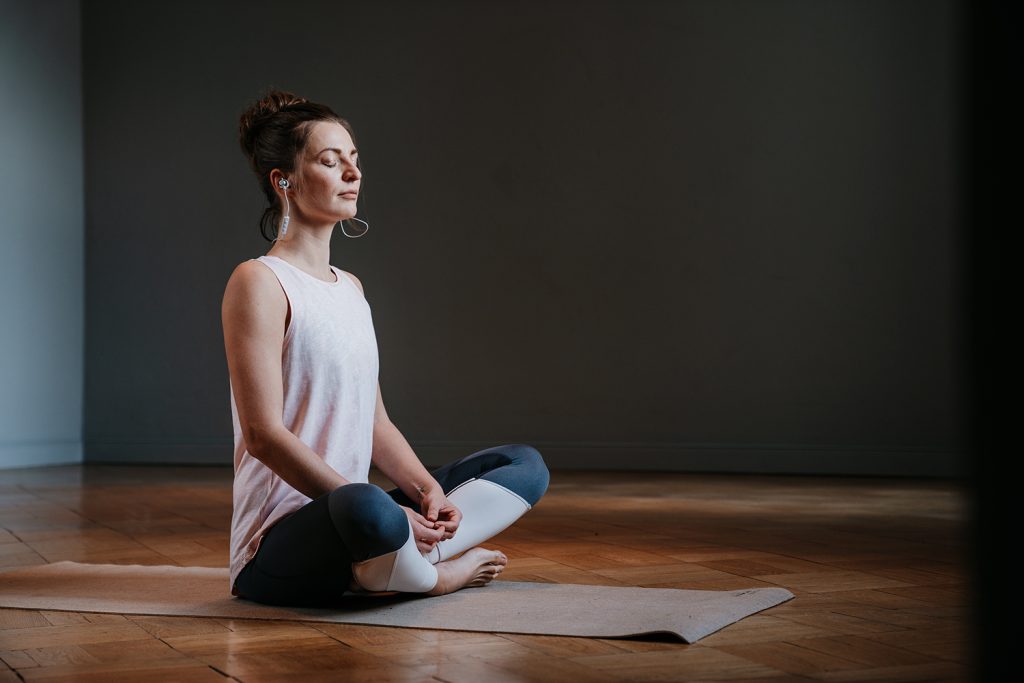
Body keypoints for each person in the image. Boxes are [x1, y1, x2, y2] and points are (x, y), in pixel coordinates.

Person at [222, 90, 549, 606]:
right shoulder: (258, 281)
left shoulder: (350, 288)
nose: (352, 173)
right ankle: (434, 575)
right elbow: (263, 435)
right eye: (330, 162)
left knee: (523, 465)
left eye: (354, 160)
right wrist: (387, 510)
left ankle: (392, 561)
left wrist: (424, 493)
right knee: (367, 507)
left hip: (363, 522)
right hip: (284, 542)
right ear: (283, 181)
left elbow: (375, 425)